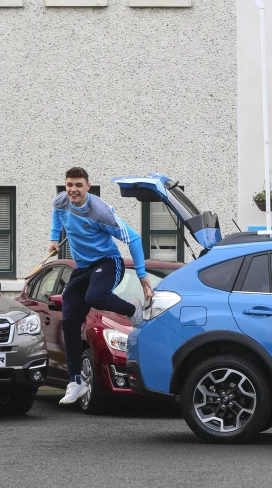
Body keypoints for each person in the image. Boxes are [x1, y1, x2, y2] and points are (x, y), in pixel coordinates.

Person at [48, 167, 153, 405]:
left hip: (107, 262)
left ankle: (132, 310)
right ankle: (76, 381)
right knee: (69, 319)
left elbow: (133, 238)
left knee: (95, 296)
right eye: (69, 185)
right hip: (83, 267)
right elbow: (57, 214)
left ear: (88, 186)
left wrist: (142, 275)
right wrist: (54, 238)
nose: (73, 190)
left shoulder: (101, 213)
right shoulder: (62, 201)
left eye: (78, 185)